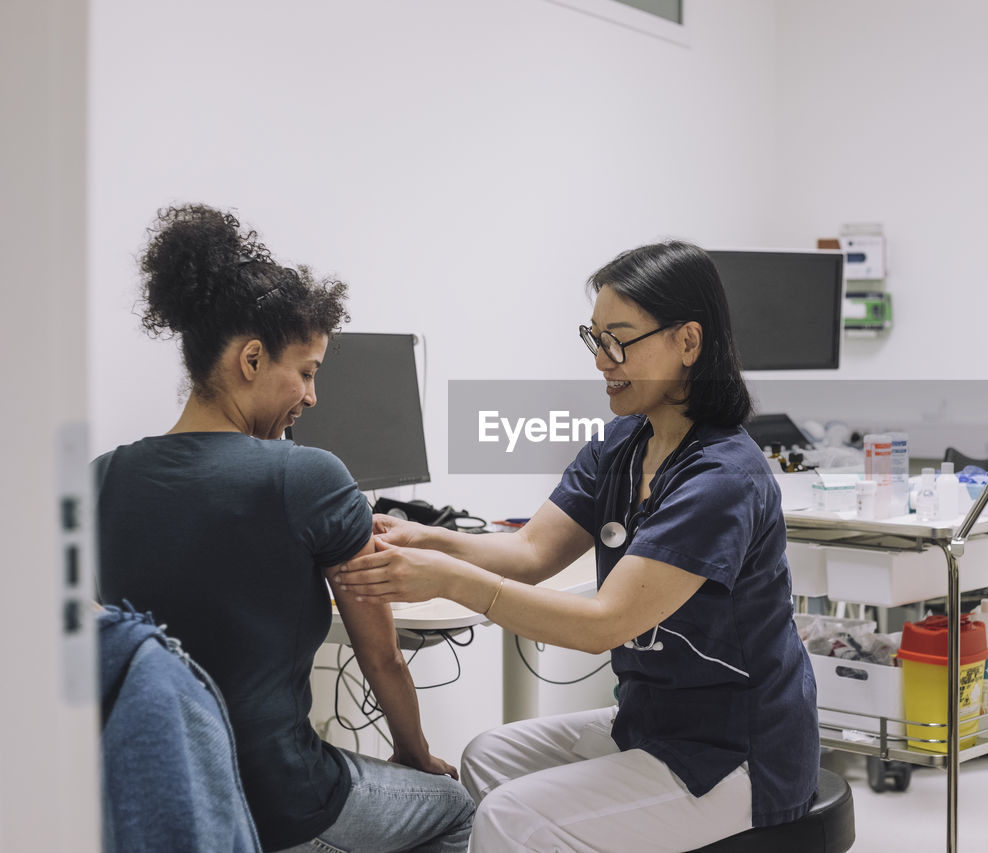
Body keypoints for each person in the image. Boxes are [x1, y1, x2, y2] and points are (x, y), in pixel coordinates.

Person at [336, 240, 819, 851]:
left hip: (739, 754)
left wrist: (449, 579)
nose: (602, 361)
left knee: (514, 817)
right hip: (655, 723)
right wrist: (429, 538)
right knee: (487, 758)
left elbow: (602, 624)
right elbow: (532, 552)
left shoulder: (721, 478)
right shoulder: (623, 444)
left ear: (688, 343)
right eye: (594, 339)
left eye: (619, 340)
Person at [95, 204, 474, 853]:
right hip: (284, 806)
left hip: (169, 801)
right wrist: (414, 753)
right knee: (458, 806)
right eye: (307, 371)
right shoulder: (310, 476)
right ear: (250, 358)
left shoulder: (102, 477)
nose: (313, 396)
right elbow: (380, 656)